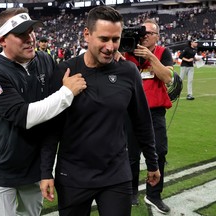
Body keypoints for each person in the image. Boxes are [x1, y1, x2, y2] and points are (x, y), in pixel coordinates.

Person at [40, 6, 160, 216]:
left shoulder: (128, 72)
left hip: (116, 175)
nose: (110, 47)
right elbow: (52, 128)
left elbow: (142, 121)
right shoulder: (65, 71)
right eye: (104, 39)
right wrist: (45, 172)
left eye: (116, 39)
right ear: (87, 34)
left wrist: (152, 162)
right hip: (73, 176)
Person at [0, 8, 86, 216]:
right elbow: (24, 116)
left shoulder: (45, 60)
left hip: (34, 166)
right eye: (21, 34)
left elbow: (79, 69)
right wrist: (66, 93)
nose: (30, 39)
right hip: (1, 167)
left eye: (31, 31)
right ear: (2, 40)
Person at [124, 19, 173, 214]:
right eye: (141, 33)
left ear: (157, 36)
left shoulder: (163, 52)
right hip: (130, 111)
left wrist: (151, 57)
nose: (144, 36)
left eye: (148, 33)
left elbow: (168, 78)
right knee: (131, 155)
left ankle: (154, 195)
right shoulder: (127, 51)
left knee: (159, 152)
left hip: (154, 111)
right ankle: (131, 191)